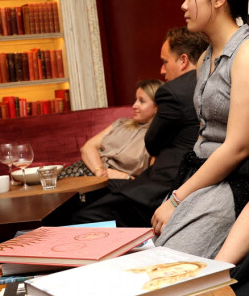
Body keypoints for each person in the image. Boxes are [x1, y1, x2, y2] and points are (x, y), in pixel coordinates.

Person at [152, 0, 249, 259]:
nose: (183, 4)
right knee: (156, 252)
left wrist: (177, 199)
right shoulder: (205, 57)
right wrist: (178, 194)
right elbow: (203, 134)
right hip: (200, 173)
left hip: (232, 180)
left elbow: (237, 147)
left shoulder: (244, 54)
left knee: (171, 264)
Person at [65, 27, 208, 227]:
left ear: (183, 61)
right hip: (189, 184)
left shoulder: (173, 91)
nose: (162, 70)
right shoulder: (211, 83)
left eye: (165, 62)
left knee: (81, 217)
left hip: (163, 188)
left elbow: (152, 143)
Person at [59, 78, 163, 180]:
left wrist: (126, 177)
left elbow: (151, 181)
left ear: (157, 107)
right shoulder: (121, 123)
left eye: (142, 101)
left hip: (114, 185)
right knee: (48, 184)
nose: (134, 105)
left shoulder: (157, 138)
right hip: (85, 170)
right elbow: (87, 147)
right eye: (135, 99)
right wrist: (99, 172)